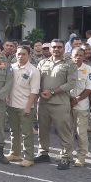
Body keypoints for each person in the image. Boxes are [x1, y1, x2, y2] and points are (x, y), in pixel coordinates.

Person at [36, 39, 78, 170]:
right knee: (42, 130)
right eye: (54, 47)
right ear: (50, 49)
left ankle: (66, 157)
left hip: (60, 103)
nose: (56, 49)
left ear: (63, 49)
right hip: (43, 102)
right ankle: (43, 153)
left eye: (59, 47)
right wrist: (40, 92)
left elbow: (71, 83)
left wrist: (53, 92)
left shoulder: (70, 64)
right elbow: (36, 80)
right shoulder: (42, 62)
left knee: (64, 130)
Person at [6, 45, 40, 167]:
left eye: (23, 54)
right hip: (11, 105)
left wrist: (28, 107)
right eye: (18, 54)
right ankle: (15, 153)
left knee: (27, 133)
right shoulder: (12, 68)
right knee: (14, 131)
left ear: (29, 55)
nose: (20, 56)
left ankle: (29, 157)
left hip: (25, 106)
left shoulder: (33, 71)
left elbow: (34, 92)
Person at [69, 47, 91, 166]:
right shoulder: (67, 68)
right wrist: (70, 100)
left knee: (81, 133)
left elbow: (89, 88)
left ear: (84, 57)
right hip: (67, 105)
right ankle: (67, 154)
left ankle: (81, 156)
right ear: (71, 56)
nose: (77, 57)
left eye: (80, 55)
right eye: (75, 55)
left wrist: (77, 99)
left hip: (81, 107)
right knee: (67, 131)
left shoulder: (89, 69)